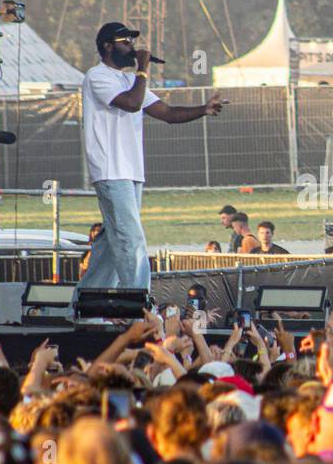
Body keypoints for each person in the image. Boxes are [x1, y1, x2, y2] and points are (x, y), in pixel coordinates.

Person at [75, 21, 225, 304]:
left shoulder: (130, 81)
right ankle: (139, 308)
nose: (132, 47)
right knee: (132, 242)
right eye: (125, 42)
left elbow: (167, 113)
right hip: (111, 170)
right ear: (108, 45)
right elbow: (131, 103)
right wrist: (143, 68)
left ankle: (84, 307)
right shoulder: (98, 76)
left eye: (132, 42)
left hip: (131, 173)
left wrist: (203, 109)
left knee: (110, 246)